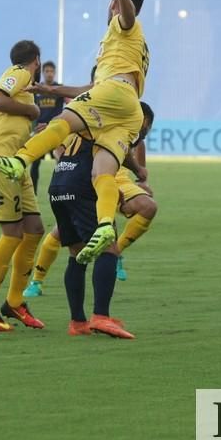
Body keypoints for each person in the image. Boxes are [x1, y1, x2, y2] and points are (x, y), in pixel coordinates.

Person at [0, 0, 149, 264]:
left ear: (114, 4)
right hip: (128, 108)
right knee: (102, 171)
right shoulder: (135, 48)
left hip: (116, 91)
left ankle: (20, 162)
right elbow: (91, 87)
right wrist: (51, 90)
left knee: (63, 121)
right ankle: (106, 225)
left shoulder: (123, 25)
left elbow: (128, 17)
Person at [25, 102, 156, 296]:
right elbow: (60, 146)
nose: (145, 130)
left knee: (147, 206)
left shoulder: (130, 135)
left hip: (115, 180)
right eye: (146, 125)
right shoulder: (88, 121)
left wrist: (142, 180)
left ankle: (116, 253)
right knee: (61, 234)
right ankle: (37, 280)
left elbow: (139, 170)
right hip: (85, 178)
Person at [0, 40, 46, 332]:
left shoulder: (25, 89)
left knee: (34, 229)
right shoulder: (20, 73)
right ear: (35, 60)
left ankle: (14, 302)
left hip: (17, 163)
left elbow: (7, 118)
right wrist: (32, 113)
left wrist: (32, 130)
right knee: (13, 234)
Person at [48, 134, 134, 338]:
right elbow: (104, 162)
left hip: (58, 184)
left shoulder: (83, 119)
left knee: (76, 251)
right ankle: (101, 316)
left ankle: (78, 322)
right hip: (82, 186)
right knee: (108, 246)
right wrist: (137, 171)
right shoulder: (115, 124)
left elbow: (58, 148)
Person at [29, 61, 63, 193]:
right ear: (43, 73)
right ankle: (33, 193)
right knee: (35, 163)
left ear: (54, 73)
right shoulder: (37, 89)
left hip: (55, 131)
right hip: (40, 132)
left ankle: (60, 191)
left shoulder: (59, 89)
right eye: (47, 71)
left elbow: (70, 102)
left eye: (51, 71)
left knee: (61, 164)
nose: (49, 74)